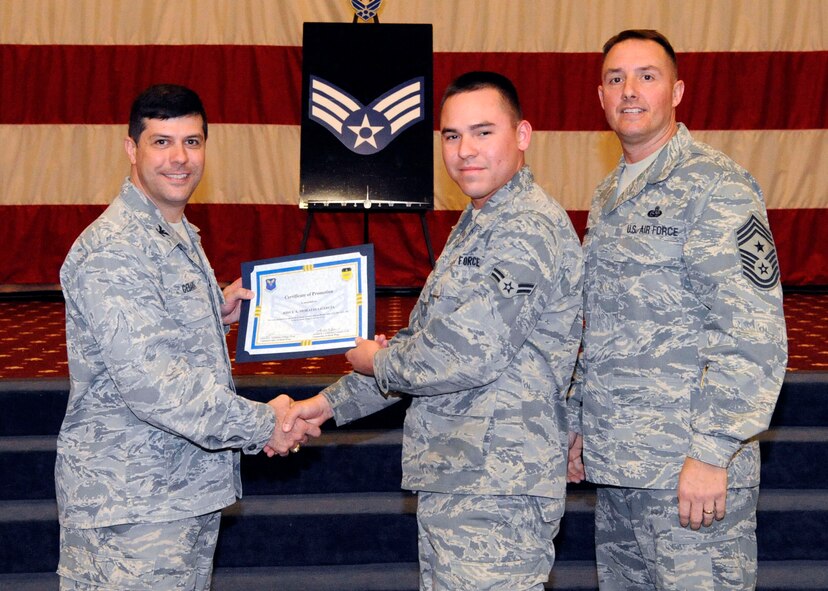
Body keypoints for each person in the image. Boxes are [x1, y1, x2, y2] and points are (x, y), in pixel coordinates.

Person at [282, 71, 584, 590]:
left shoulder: (527, 227)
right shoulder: (478, 222)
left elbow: (468, 353)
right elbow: (423, 340)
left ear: (523, 136)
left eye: (483, 132)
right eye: (451, 135)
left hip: (497, 487)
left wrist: (378, 362)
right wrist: (326, 406)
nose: (465, 150)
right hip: (465, 477)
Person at [56, 84, 319, 590]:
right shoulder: (114, 250)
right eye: (161, 142)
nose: (179, 159)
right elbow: (157, 387)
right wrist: (266, 423)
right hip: (130, 509)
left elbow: (147, 335)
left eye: (192, 142)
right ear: (131, 148)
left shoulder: (173, 231)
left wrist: (210, 313)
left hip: (180, 496)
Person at [566, 30, 788, 590]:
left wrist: (713, 453)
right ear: (600, 97)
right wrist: (580, 428)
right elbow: (602, 329)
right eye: (615, 79)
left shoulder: (718, 187)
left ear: (677, 91)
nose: (630, 91)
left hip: (691, 474)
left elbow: (754, 337)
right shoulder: (609, 195)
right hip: (621, 471)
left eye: (647, 76)